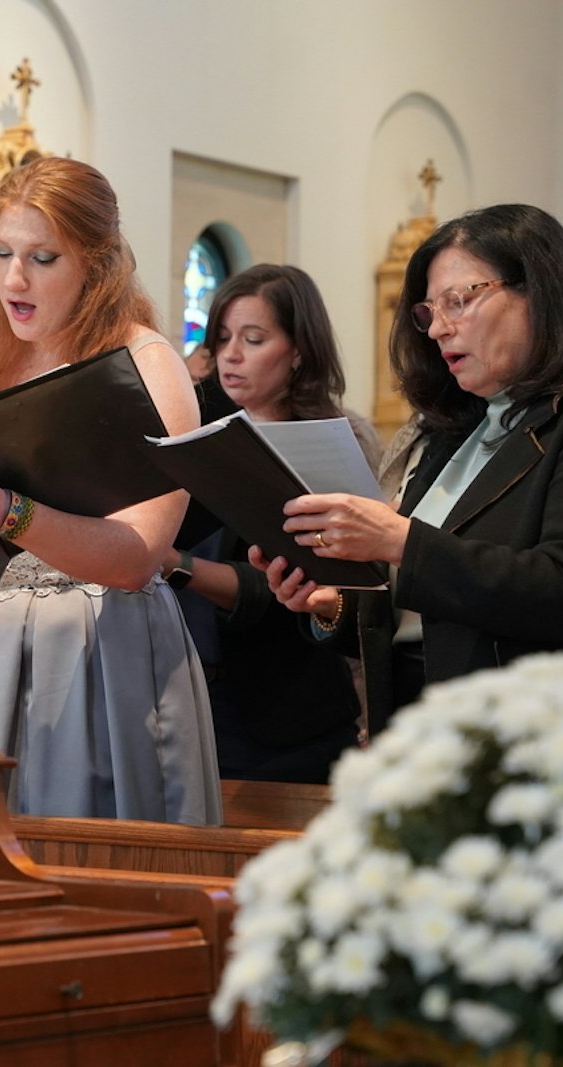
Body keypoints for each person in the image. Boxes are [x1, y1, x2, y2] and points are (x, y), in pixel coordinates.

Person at [256, 204, 563, 717]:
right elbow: (430, 610)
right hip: (427, 724)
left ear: (542, 293)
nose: (438, 328)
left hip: (549, 734)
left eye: (458, 301)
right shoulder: (454, 431)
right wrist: (337, 607)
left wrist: (397, 539)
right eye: (429, 311)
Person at [0, 156, 221, 825]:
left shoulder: (147, 362)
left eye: (43, 258)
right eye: (3, 252)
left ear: (97, 263)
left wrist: (6, 513)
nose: (14, 278)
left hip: (98, 649)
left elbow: (136, 558)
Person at [165, 264, 381, 783]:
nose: (230, 355)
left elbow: (288, 586)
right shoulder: (202, 434)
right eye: (222, 338)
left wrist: (165, 562)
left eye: (254, 339)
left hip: (284, 711)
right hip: (189, 694)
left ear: (299, 350)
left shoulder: (327, 443)